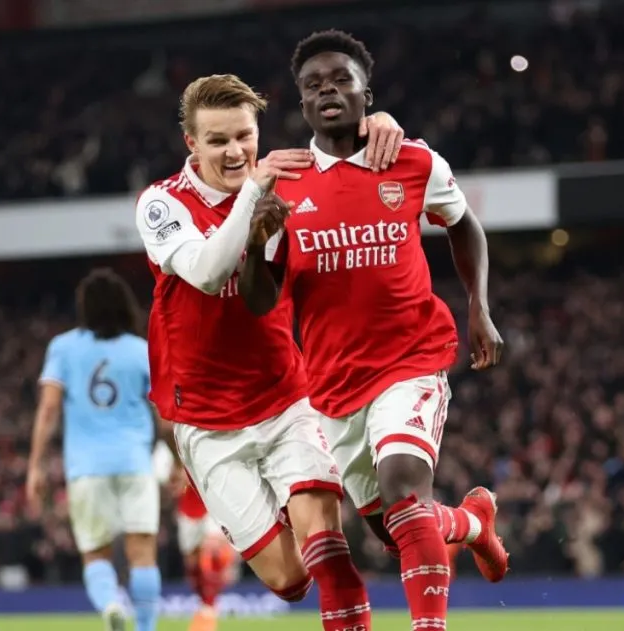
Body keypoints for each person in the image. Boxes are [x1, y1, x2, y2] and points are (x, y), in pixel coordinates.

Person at [238, 29, 510, 631]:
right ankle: (471, 524)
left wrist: (479, 306)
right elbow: (261, 301)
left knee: (405, 492)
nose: (327, 90)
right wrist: (254, 248)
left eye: (340, 79)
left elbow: (464, 226)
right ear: (301, 104)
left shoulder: (411, 160)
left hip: (411, 360)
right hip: (333, 385)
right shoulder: (285, 184)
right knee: (397, 531)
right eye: (313, 86)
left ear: (367, 92)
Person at [133, 73, 404, 631]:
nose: (234, 152)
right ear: (192, 144)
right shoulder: (162, 204)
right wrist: (254, 194)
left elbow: (262, 295)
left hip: (286, 402)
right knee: (289, 581)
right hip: (206, 424)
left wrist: (376, 128)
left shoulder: (285, 190)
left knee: (328, 549)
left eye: (243, 136)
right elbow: (209, 274)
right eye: (217, 140)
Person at [27, 267, 175, 631]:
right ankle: (145, 627)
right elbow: (164, 417)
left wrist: (36, 465)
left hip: (86, 468)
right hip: (135, 463)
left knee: (96, 553)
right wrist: (179, 462)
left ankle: (110, 603)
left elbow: (48, 410)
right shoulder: (141, 350)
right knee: (143, 553)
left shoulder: (63, 347)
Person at [152, 442, 234, 631]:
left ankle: (209, 609)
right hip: (187, 509)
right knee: (192, 564)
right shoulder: (171, 444)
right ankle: (205, 604)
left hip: (212, 502)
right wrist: (176, 475)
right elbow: (168, 480)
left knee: (213, 551)